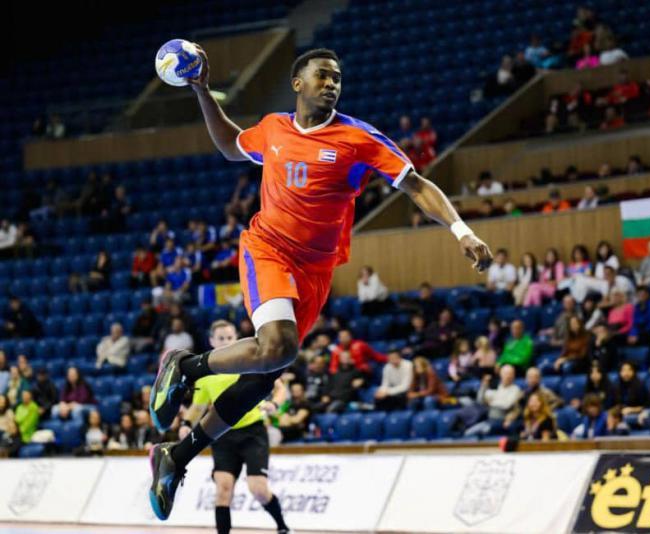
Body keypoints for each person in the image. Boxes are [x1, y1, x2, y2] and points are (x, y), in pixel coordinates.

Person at [147, 47, 493, 520]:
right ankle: (186, 366)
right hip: (267, 248)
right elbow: (232, 146)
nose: (332, 83)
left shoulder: (357, 137)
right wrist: (201, 89)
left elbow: (416, 185)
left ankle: (176, 456)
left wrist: (462, 230)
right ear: (298, 83)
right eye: (322, 76)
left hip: (317, 269)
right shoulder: (273, 128)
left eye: (337, 78)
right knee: (278, 346)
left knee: (260, 381)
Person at [178, 319, 291, 534]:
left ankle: (283, 528)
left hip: (253, 433)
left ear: (236, 339)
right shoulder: (206, 376)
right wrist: (185, 424)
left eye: (230, 338)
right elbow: (197, 407)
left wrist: (274, 404)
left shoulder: (249, 363)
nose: (226, 342)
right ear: (211, 341)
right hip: (222, 436)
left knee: (258, 489)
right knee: (223, 489)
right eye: (220, 338)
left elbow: (280, 389)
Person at [465, 365, 522, 437]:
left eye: (510, 374)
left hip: (501, 421)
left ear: (514, 376)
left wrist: (492, 402)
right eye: (506, 373)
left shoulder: (515, 389)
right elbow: (480, 401)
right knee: (468, 433)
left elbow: (506, 405)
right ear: (501, 374)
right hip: (489, 420)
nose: (508, 376)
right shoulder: (496, 387)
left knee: (485, 430)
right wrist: (484, 386)